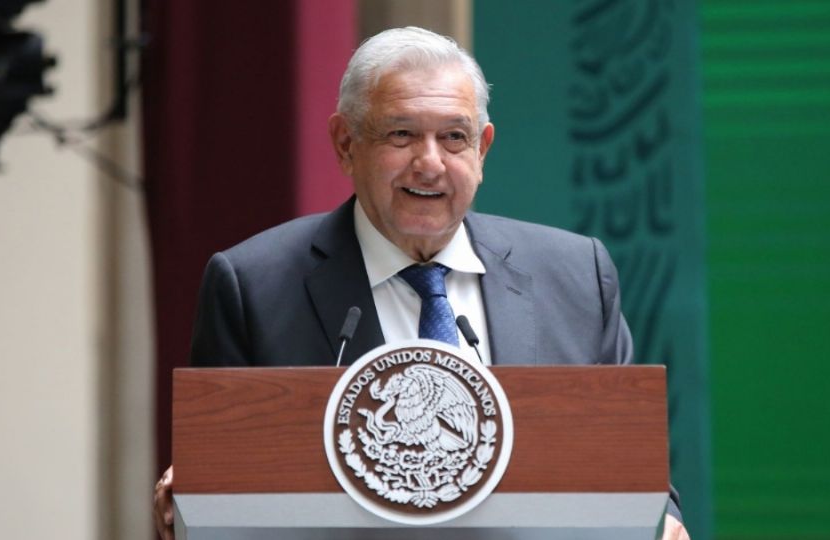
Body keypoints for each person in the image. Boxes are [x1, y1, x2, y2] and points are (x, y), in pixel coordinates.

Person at [153, 26, 689, 540]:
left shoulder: (575, 275)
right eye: (401, 134)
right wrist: (195, 495)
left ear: (483, 148)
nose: (429, 164)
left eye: (453, 138)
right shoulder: (254, 287)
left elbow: (630, 466)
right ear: (345, 144)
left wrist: (660, 520)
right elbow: (222, 476)